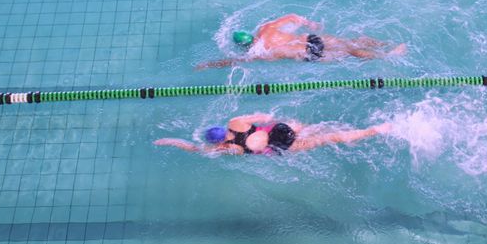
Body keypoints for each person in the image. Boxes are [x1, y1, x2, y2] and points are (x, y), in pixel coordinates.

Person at [196, 13, 407, 69]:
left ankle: (388, 56)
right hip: (311, 38)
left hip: (308, 54)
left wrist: (210, 64)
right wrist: (311, 24)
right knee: (351, 41)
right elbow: (292, 17)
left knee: (348, 53)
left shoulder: (258, 53)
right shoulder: (265, 28)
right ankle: (384, 43)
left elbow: (237, 62)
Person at [153, 113, 393, 155]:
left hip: (280, 146)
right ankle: (373, 127)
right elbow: (264, 116)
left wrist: (170, 141)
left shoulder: (231, 149)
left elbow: (196, 149)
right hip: (279, 129)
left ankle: (374, 131)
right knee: (316, 129)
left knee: (327, 139)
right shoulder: (235, 123)